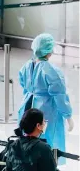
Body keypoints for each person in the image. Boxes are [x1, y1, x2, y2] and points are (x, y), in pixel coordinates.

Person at [17, 33, 74, 165]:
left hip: (26, 108)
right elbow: (60, 95)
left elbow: (24, 86)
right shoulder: (51, 71)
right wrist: (68, 116)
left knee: (27, 142)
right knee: (48, 144)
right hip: (46, 111)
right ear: (49, 50)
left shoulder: (26, 67)